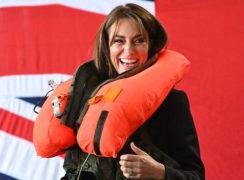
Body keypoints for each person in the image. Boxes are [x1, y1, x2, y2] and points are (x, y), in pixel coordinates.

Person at [58, 3, 205, 180]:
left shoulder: (171, 102)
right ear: (107, 46)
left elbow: (196, 176)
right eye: (119, 41)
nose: (129, 51)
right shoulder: (88, 99)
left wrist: (161, 173)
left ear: (151, 46)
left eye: (139, 40)